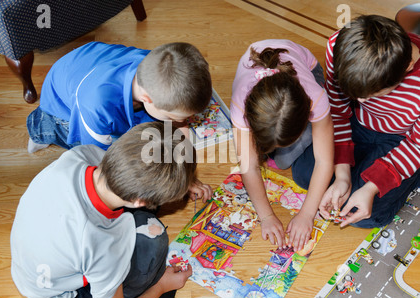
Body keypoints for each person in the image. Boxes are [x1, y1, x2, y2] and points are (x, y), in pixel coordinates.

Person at [11, 122, 200, 298]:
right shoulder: (103, 245)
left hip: (33, 262)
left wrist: (179, 180)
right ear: (139, 201)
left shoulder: (81, 154)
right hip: (58, 292)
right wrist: (160, 287)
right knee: (154, 238)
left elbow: (138, 170)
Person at [292, 15, 420, 229]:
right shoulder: (339, 46)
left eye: (373, 94)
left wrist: (371, 188)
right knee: (303, 173)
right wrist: (342, 174)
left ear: (407, 67)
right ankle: (360, 176)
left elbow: (416, 145)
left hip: (403, 140)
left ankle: (409, 176)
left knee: (368, 215)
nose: (360, 100)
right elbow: (338, 111)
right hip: (357, 123)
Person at [230, 40, 334, 251]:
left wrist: (307, 214)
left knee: (284, 159)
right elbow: (248, 166)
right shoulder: (240, 104)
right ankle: (282, 143)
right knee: (280, 158)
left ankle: (295, 140)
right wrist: (266, 216)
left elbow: (325, 160)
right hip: (254, 80)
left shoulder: (316, 98)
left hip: (309, 70)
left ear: (307, 115)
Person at [26, 41, 212, 153]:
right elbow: (96, 157)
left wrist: (186, 168)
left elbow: (179, 126)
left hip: (91, 65)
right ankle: (40, 129)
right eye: (173, 117)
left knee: (154, 133)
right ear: (147, 98)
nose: (182, 122)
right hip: (63, 105)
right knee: (121, 150)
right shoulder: (96, 105)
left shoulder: (159, 67)